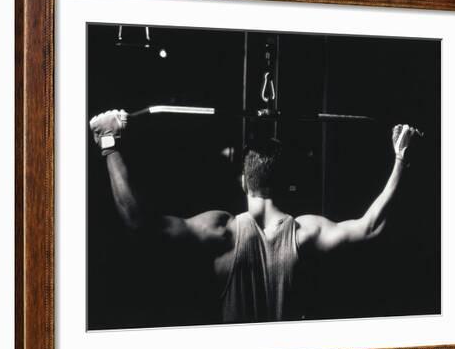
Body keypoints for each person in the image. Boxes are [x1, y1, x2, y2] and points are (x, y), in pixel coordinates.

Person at [89, 109, 418, 323]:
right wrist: (401, 160)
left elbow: (137, 222)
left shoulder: (221, 231)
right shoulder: (305, 232)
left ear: (244, 181)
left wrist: (109, 143)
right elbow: (371, 227)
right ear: (286, 184)